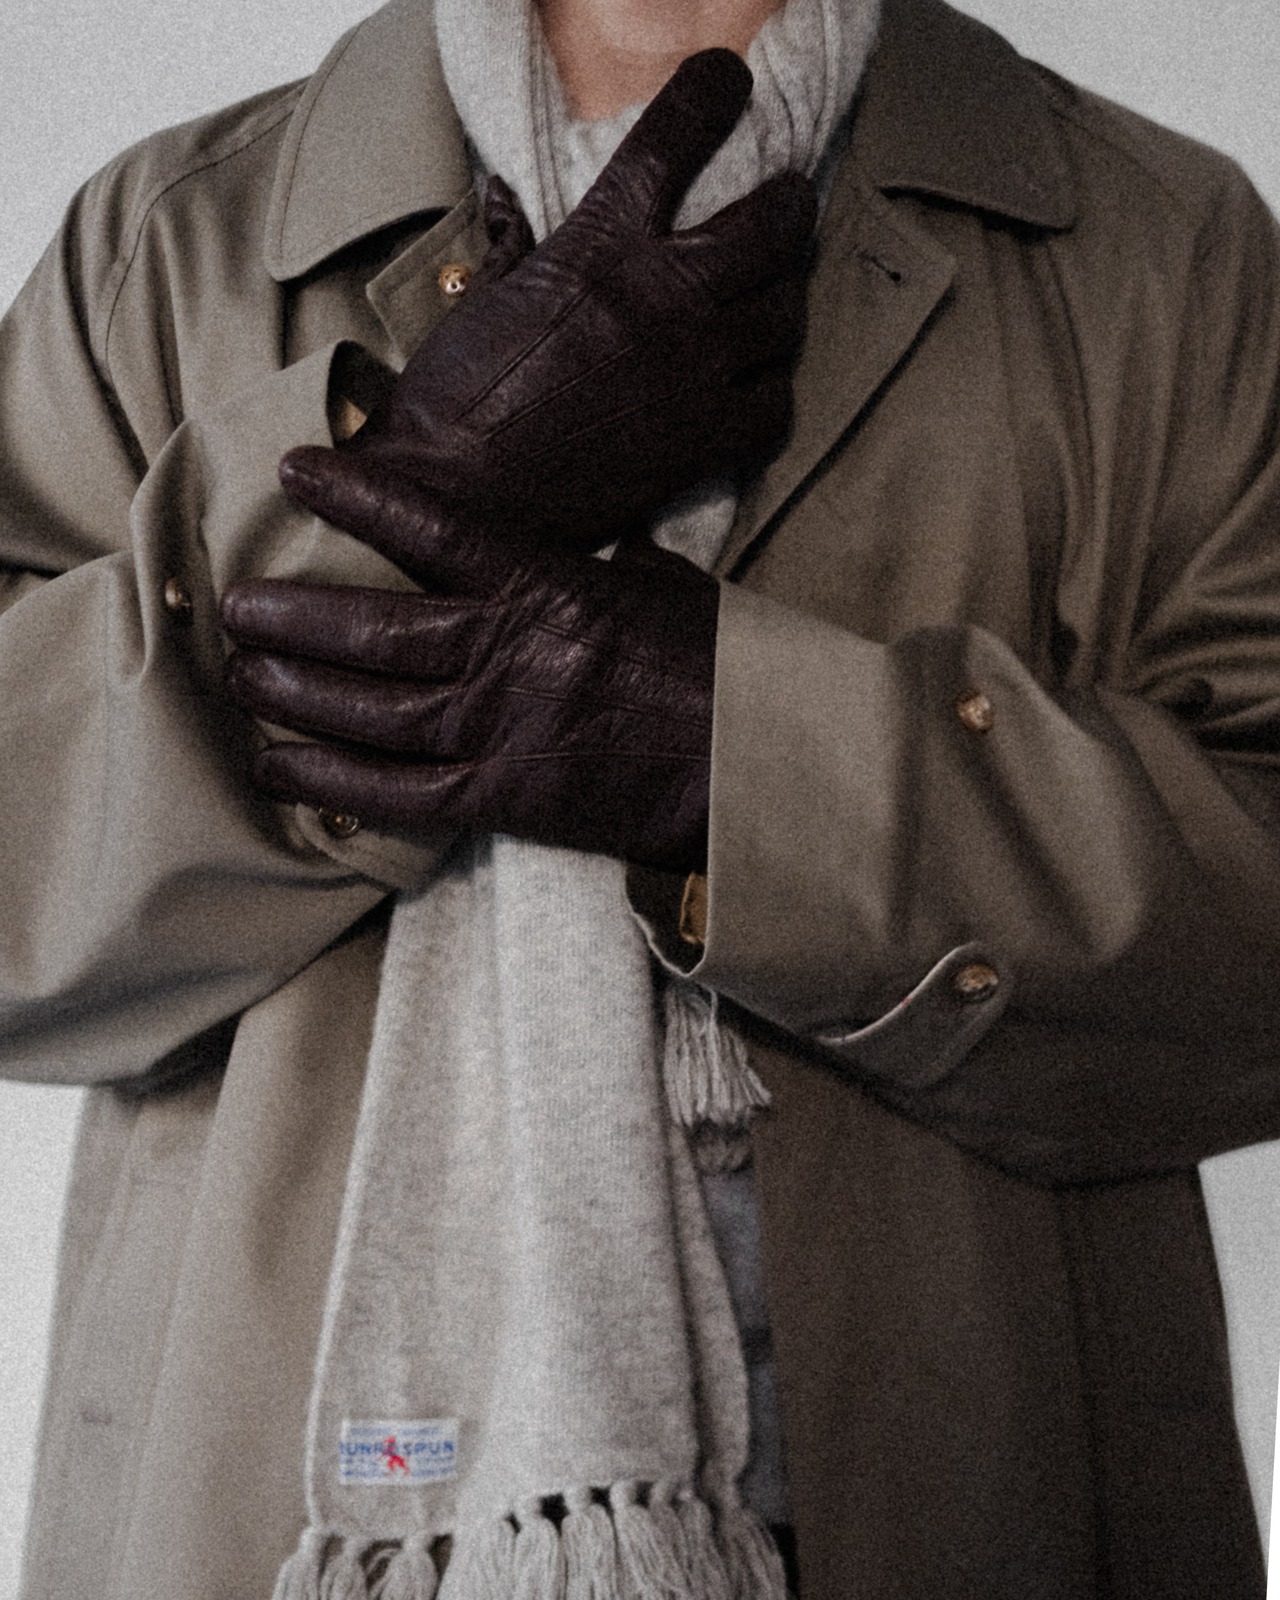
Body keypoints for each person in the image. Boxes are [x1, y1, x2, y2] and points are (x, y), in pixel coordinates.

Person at [2, 0, 1279, 1595]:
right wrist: (412, 485)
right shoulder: (167, 248)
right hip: (272, 1534)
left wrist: (734, 758)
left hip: (970, 1510)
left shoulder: (1161, 249)